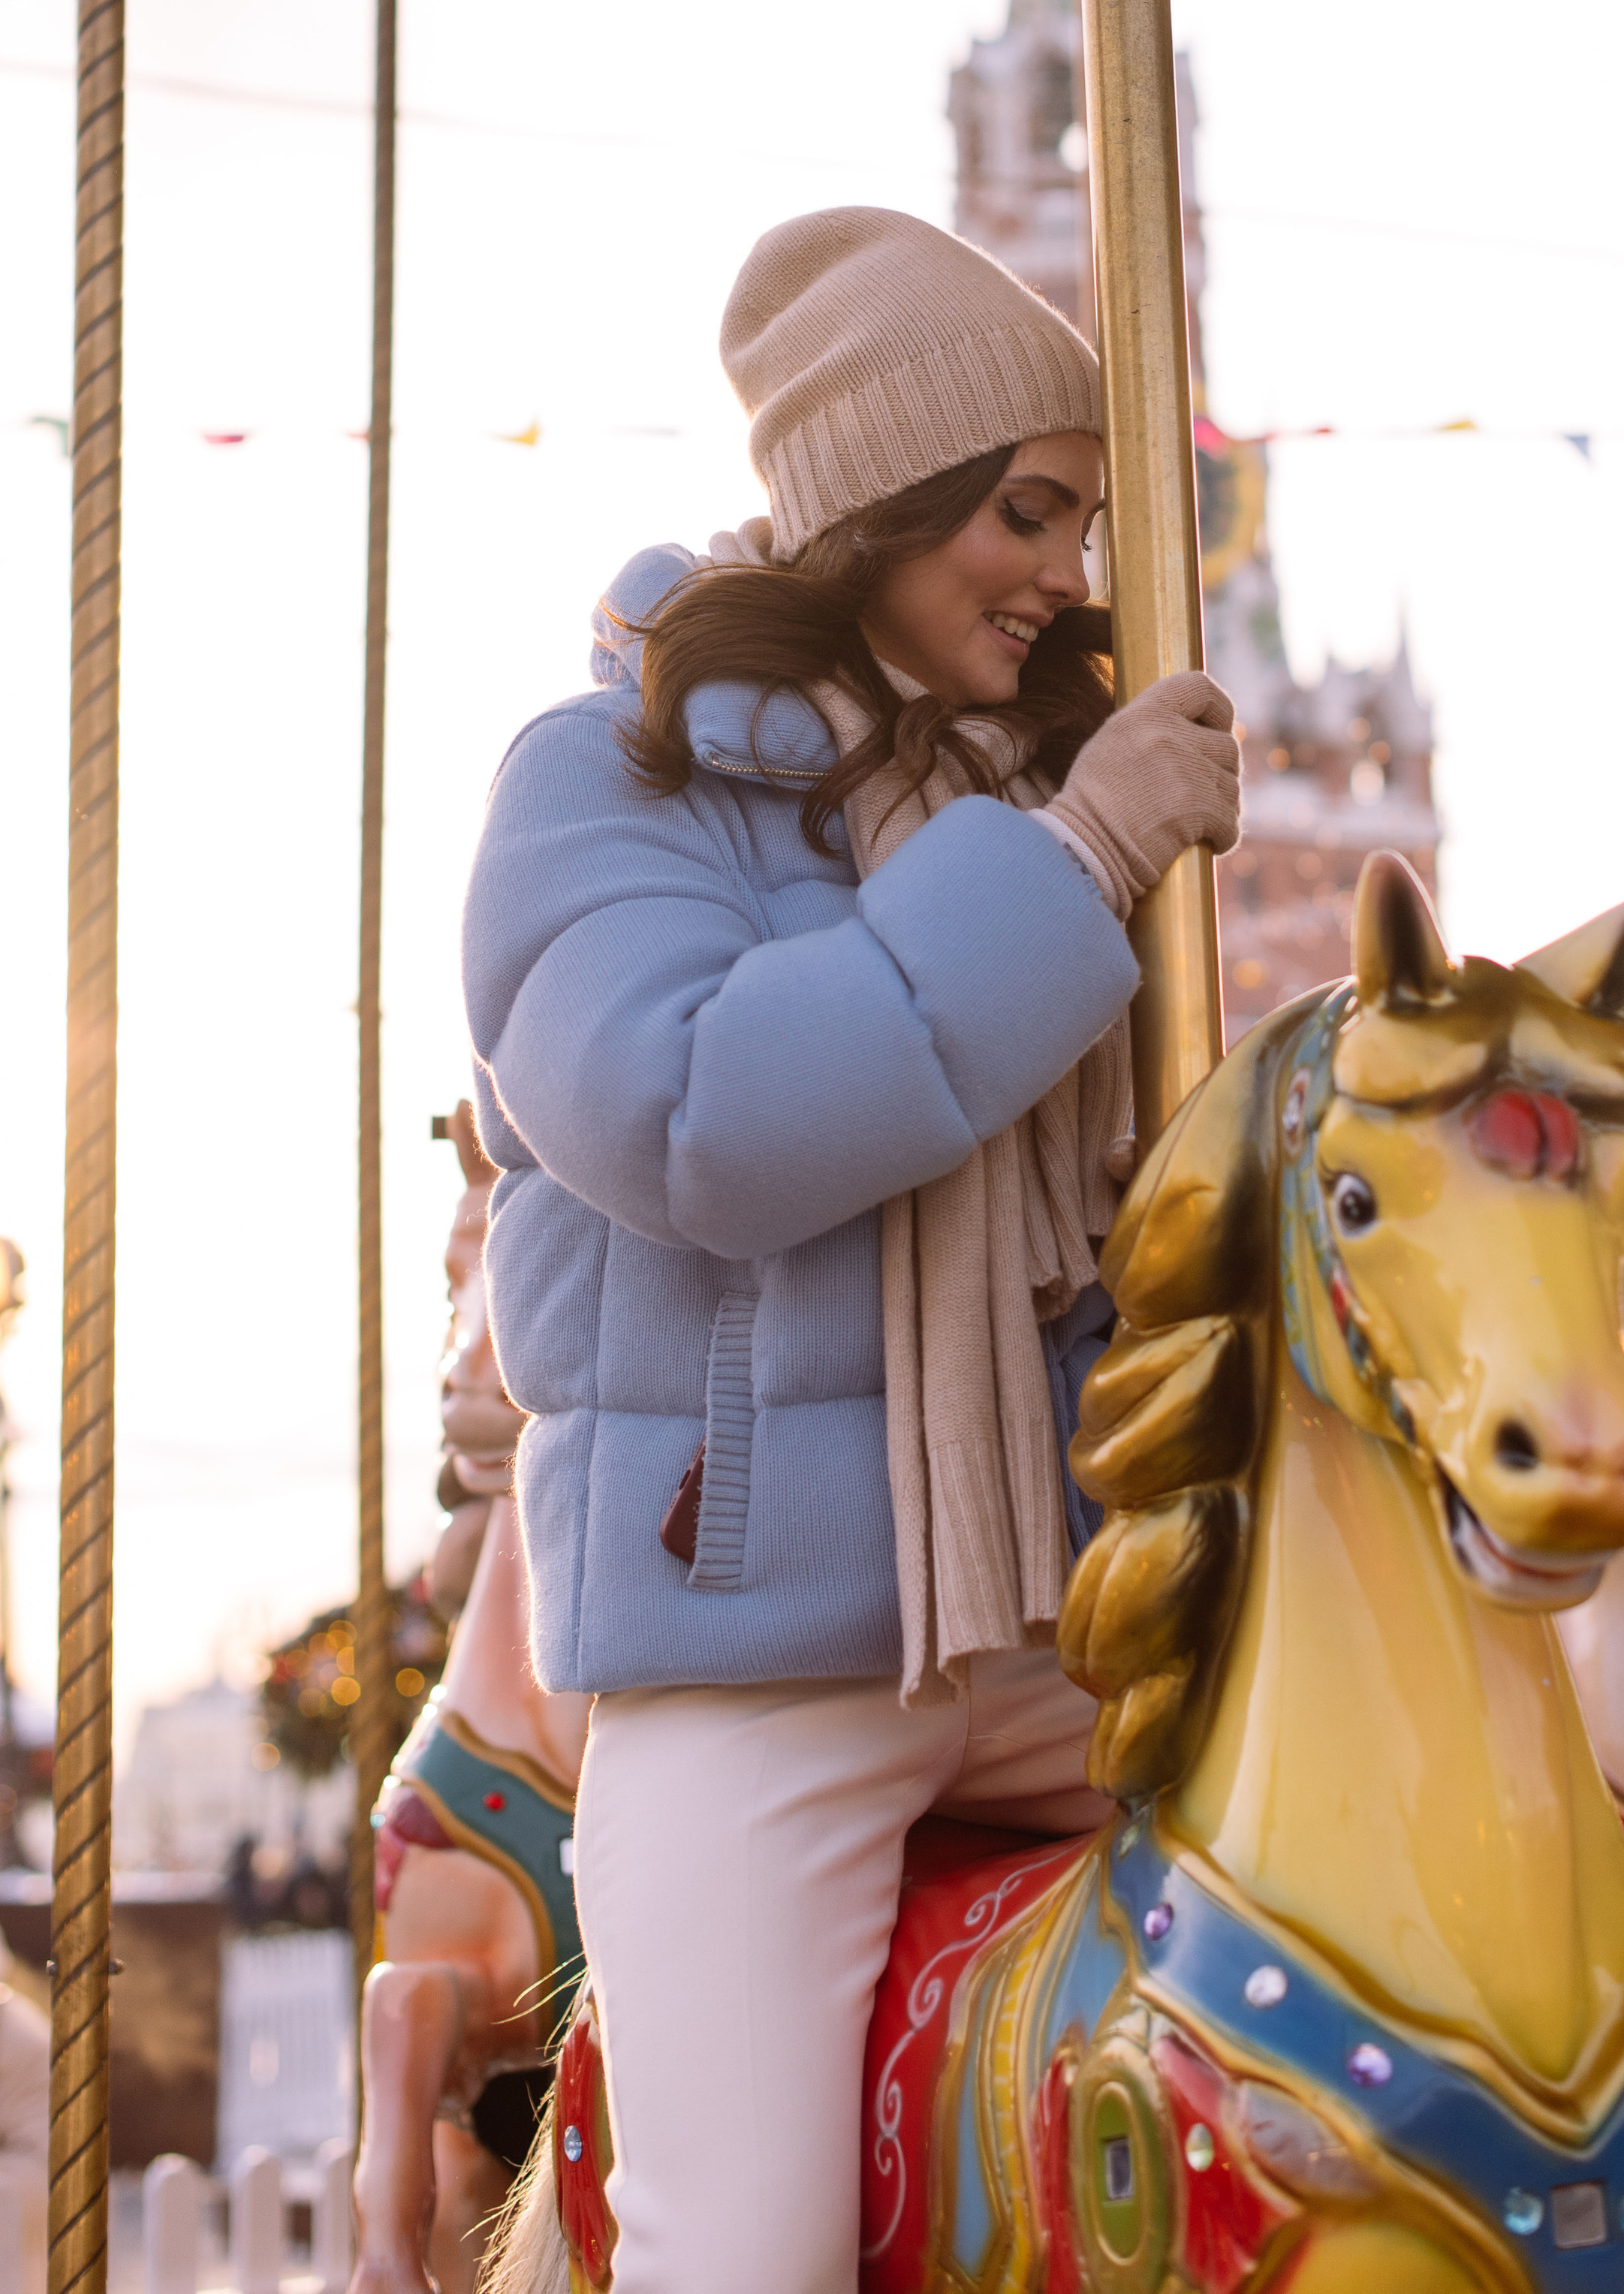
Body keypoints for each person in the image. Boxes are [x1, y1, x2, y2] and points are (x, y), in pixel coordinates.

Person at [462, 206, 1240, 2294]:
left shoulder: (1048, 792)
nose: (1072, 567)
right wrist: (1074, 866)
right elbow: (700, 1121)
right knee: (748, 2249)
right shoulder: (603, 784)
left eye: (1085, 515)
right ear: (869, 505)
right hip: (762, 1659)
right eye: (1028, 510)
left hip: (1055, 1631)